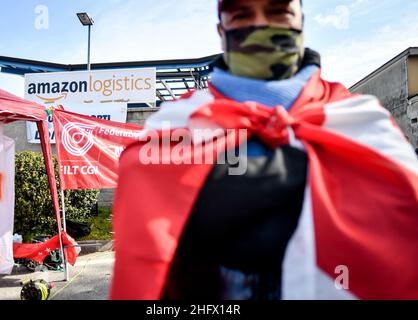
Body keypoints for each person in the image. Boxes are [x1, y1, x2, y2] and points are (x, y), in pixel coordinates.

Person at [110, 0, 418, 300]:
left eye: (277, 10)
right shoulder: (176, 124)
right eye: (242, 13)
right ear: (221, 30)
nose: (259, 24)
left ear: (300, 22)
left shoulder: (363, 121)